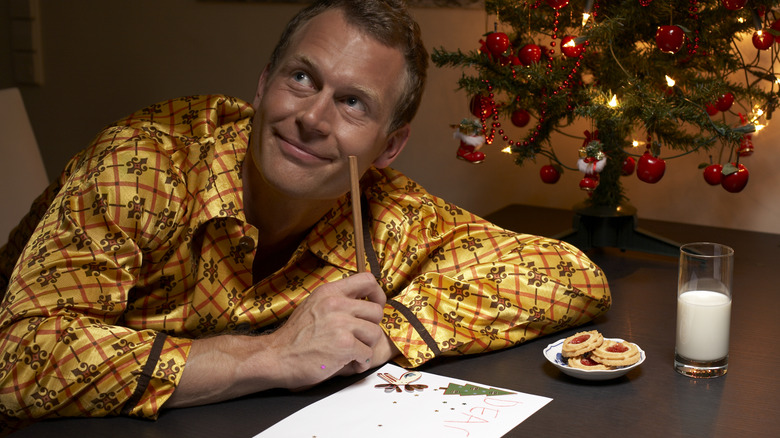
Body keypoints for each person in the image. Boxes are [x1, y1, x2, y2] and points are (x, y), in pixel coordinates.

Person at [0, 0, 610, 425]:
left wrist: (381, 339)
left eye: (352, 103)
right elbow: (20, 356)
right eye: (301, 78)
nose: (313, 118)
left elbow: (570, 276)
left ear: (389, 146)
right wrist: (272, 355)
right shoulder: (143, 167)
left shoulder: (385, 210)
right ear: (263, 84)